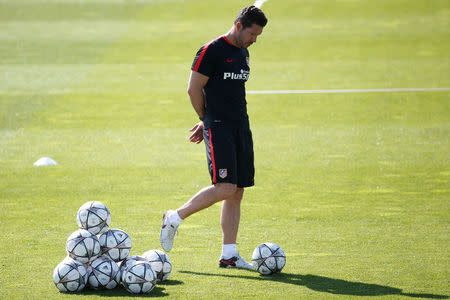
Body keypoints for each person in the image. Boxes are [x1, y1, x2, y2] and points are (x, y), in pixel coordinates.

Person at [160, 5, 268, 269]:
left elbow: (229, 90)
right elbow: (193, 88)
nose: (255, 40)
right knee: (225, 186)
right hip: (219, 126)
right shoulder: (211, 50)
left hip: (240, 126)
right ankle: (174, 217)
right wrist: (204, 120)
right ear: (239, 25)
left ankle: (229, 255)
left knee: (237, 191)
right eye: (253, 34)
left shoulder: (243, 52)